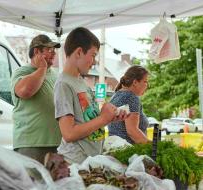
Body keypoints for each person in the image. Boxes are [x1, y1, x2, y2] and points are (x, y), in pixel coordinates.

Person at [54, 27, 127, 164]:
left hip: (89, 161)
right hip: (74, 163)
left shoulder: (80, 82)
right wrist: (103, 119)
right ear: (79, 52)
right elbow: (68, 133)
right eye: (93, 55)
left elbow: (88, 121)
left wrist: (110, 117)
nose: (94, 61)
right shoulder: (63, 84)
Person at [11, 34, 62, 163]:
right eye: (49, 50)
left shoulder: (55, 75)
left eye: (54, 50)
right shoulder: (22, 72)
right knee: (33, 182)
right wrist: (42, 68)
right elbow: (25, 91)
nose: (54, 53)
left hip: (57, 143)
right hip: (31, 144)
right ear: (36, 51)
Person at [108, 65, 149, 144]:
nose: (147, 85)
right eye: (145, 81)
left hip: (114, 148)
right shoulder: (132, 97)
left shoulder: (116, 95)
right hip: (129, 151)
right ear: (135, 82)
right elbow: (132, 131)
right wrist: (154, 147)